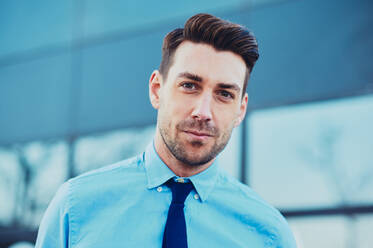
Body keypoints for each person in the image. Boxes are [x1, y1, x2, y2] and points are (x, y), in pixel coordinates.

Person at [35, 13, 297, 248]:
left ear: (240, 110)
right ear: (157, 89)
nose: (203, 112)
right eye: (190, 86)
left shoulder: (270, 235)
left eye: (225, 94)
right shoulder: (75, 207)